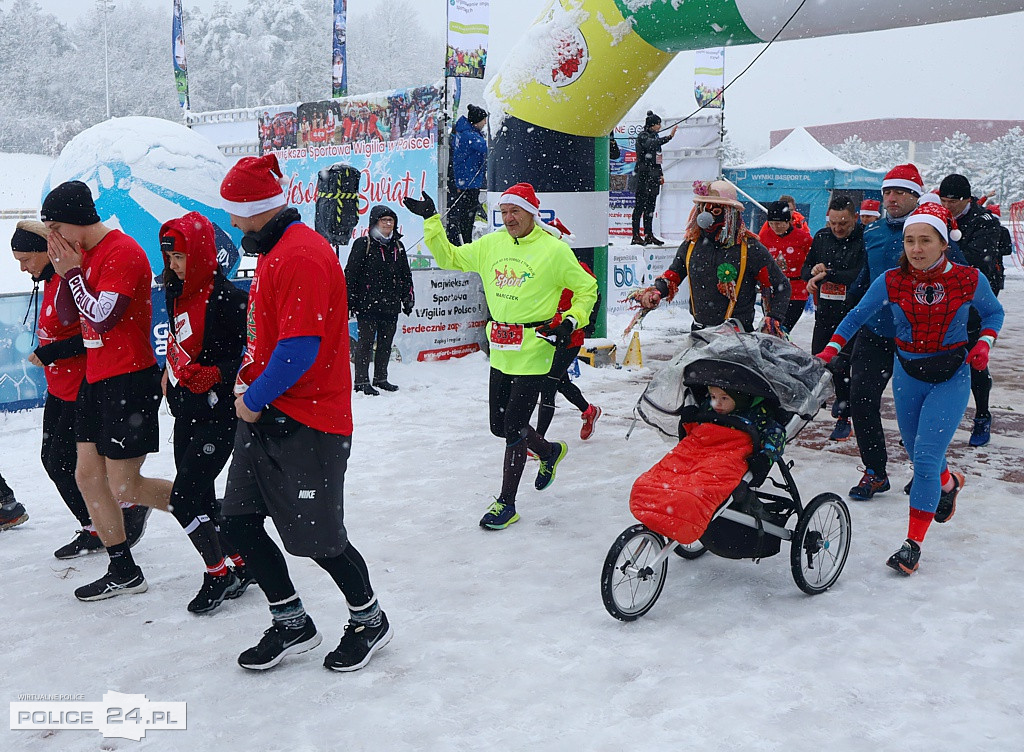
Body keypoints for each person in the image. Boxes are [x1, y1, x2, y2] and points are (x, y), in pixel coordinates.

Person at [218, 154, 391, 672]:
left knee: (319, 539)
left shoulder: (300, 255)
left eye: (235, 211)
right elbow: (271, 339)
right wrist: (248, 385)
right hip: (268, 416)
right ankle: (292, 622)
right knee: (239, 525)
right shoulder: (275, 250)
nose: (230, 221)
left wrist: (250, 399)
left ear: (255, 208)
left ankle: (369, 618)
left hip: (309, 423)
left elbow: (299, 351)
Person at [818, 201, 1003, 575]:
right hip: (908, 375)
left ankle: (912, 544)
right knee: (922, 455)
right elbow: (857, 314)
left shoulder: (969, 279)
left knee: (925, 459)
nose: (916, 249)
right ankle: (949, 484)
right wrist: (831, 349)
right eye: (909, 241)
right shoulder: (891, 280)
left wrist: (984, 343)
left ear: (944, 243)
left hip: (952, 375)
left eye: (925, 241)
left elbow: (993, 312)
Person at [405, 182, 598, 530]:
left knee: (512, 428)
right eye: (505, 212)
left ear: (532, 214)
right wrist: (432, 220)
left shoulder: (553, 250)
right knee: (500, 426)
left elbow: (587, 288)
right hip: (502, 348)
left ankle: (506, 503)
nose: (509, 218)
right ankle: (549, 451)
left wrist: (571, 320)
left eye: (516, 212)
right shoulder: (491, 244)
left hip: (536, 347)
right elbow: (449, 257)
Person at [44, 181, 170, 601]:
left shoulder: (123, 251)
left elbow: (101, 317)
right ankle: (123, 568)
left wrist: (73, 274)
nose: (55, 240)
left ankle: (215, 517)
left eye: (58, 227)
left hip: (129, 379)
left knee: (125, 486)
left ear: (79, 219)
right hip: (96, 379)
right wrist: (67, 275)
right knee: (87, 476)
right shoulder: (81, 256)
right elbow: (68, 312)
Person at [12, 221, 150, 558]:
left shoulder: (72, 276)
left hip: (84, 385)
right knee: (53, 459)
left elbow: (93, 330)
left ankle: (128, 508)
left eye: (27, 259)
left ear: (48, 252)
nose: (23, 268)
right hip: (59, 387)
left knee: (68, 463)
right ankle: (96, 523)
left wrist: (52, 352)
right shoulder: (48, 280)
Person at [843, 164, 966, 500]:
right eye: (886, 192)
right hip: (876, 333)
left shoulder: (934, 233)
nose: (891, 198)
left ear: (916, 196)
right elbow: (865, 279)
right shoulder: (873, 233)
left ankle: (926, 470)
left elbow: (963, 282)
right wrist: (843, 304)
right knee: (861, 401)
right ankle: (875, 471)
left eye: (899, 192)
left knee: (919, 413)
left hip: (921, 340)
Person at [160, 212, 254, 613]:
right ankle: (241, 562)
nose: (174, 266)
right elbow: (178, 339)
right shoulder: (173, 289)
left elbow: (251, 353)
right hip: (186, 408)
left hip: (221, 412)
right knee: (202, 498)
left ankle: (218, 573)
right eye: (169, 258)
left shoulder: (230, 298)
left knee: (183, 499)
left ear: (200, 252)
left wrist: (216, 374)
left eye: (180, 256)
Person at [629, 379, 786, 547]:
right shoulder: (708, 408)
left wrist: (765, 456)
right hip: (697, 450)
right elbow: (694, 433)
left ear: (740, 399)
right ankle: (666, 515)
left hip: (728, 454)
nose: (716, 403)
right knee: (659, 481)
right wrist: (690, 418)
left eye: (724, 398)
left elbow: (776, 435)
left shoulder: (758, 415)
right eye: (712, 396)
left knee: (695, 491)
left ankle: (677, 515)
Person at [635, 180, 791, 335]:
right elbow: (674, 275)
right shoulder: (691, 245)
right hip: (699, 332)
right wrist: (657, 291)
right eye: (704, 209)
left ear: (730, 213)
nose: (706, 217)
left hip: (737, 336)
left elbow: (781, 285)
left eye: (715, 211)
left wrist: (773, 317)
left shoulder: (749, 248)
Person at [938, 174, 1004, 447]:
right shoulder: (938, 217)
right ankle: (938, 419)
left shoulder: (984, 221)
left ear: (966, 199)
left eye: (951, 201)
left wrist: (944, 244)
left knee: (975, 360)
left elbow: (972, 262)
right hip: (942, 299)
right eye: (942, 200)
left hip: (977, 297)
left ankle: (982, 414)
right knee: (941, 360)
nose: (946, 205)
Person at [801, 196, 866, 441]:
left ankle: (844, 415)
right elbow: (805, 268)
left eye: (844, 223)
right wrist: (813, 274)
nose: (838, 228)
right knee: (820, 360)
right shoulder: (822, 237)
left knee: (845, 366)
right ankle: (823, 404)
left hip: (852, 313)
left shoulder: (864, 238)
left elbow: (859, 274)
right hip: (825, 311)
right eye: (833, 223)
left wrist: (830, 274)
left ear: (855, 218)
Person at [345, 205, 414, 395]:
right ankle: (361, 382)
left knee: (385, 343)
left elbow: (405, 275)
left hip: (391, 305)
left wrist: (408, 297)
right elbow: (351, 274)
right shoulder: (363, 243)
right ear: (375, 222)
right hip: (367, 304)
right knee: (365, 344)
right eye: (384, 220)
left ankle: (381, 378)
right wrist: (349, 301)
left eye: (391, 221)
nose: (387, 224)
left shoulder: (397, 246)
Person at [535, 261, 602, 441]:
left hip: (570, 337)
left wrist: (588, 324)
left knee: (548, 385)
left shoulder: (574, 265)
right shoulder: (537, 264)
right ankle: (589, 411)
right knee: (560, 383)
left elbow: (594, 293)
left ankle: (537, 441)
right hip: (547, 336)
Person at [758, 201, 813, 333]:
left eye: (779, 223)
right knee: (769, 328)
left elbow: (812, 261)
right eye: (771, 224)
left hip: (796, 291)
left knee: (782, 329)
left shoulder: (803, 238)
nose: (775, 227)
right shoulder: (764, 237)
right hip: (772, 291)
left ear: (788, 221)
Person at [631, 111, 678, 246]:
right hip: (643, 176)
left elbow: (658, 159)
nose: (660, 126)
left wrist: (661, 174)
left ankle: (648, 234)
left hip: (654, 177)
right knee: (639, 207)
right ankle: (635, 235)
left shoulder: (656, 137)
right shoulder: (643, 136)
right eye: (658, 124)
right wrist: (669, 137)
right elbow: (650, 144)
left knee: (650, 207)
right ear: (652, 124)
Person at [448, 104, 488, 246]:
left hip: (467, 181)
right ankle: (467, 243)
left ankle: (465, 242)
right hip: (468, 182)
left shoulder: (464, 132)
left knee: (467, 214)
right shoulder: (469, 136)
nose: (485, 123)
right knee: (467, 216)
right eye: (484, 120)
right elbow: (487, 147)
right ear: (477, 121)